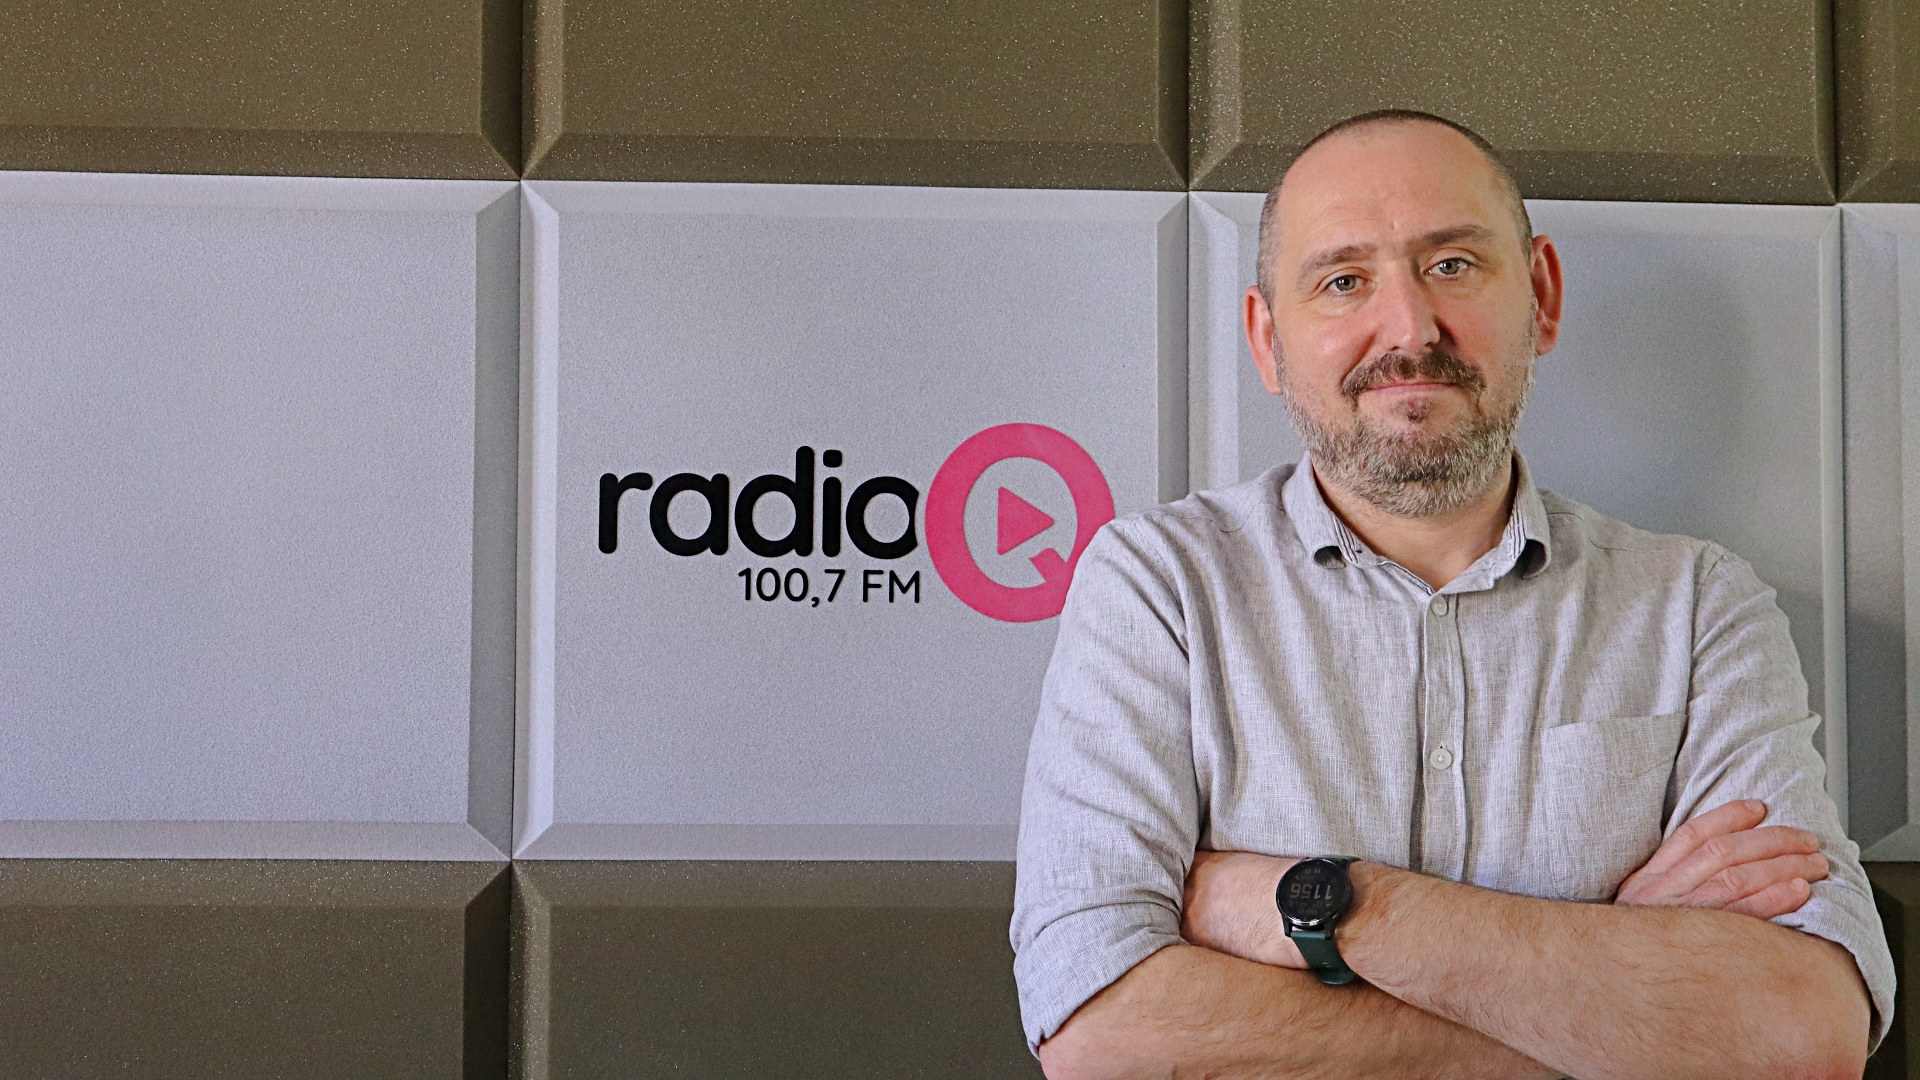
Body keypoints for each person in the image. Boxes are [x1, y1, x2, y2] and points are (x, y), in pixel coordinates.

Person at [1009, 110, 1893, 1080]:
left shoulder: (1697, 609)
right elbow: (1101, 1034)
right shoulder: (1159, 588)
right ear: (1267, 339)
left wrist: (1329, 906)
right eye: (1343, 281)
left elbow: (1805, 1032)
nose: (1409, 329)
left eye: (1452, 265)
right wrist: (1605, 1000)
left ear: (1541, 297)